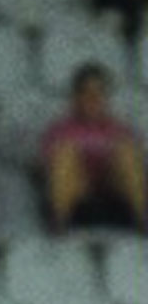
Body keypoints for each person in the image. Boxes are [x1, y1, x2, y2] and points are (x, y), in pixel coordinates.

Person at [41, 61, 147, 234]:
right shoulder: (59, 131)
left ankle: (143, 224)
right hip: (78, 202)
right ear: (76, 96)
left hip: (116, 199)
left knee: (127, 151)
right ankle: (59, 226)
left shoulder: (120, 131)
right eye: (86, 92)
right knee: (64, 153)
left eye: (99, 92)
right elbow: (48, 170)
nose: (94, 98)